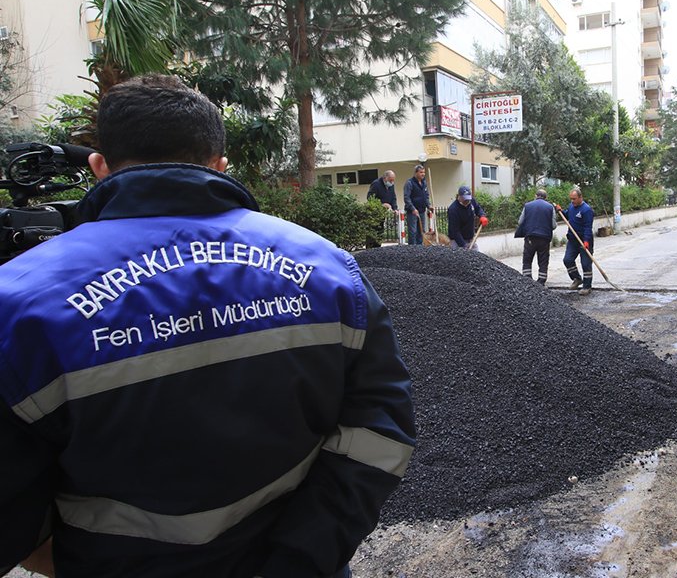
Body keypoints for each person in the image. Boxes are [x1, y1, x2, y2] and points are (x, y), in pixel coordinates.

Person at [0, 75, 415, 578]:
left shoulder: (17, 301)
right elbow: (380, 432)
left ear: (99, 168)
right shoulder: (330, 270)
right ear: (220, 165)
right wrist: (301, 558)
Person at [557, 188, 595, 295]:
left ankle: (587, 286)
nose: (572, 201)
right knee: (567, 260)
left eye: (574, 199)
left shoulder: (586, 210)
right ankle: (577, 279)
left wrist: (586, 241)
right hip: (573, 240)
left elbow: (588, 227)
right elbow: (567, 215)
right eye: (571, 199)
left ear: (580, 197)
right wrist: (560, 211)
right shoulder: (571, 207)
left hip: (584, 240)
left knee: (586, 263)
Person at [514, 188, 556, 284]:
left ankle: (527, 281)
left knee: (527, 259)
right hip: (544, 239)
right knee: (543, 261)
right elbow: (553, 226)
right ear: (546, 198)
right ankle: (541, 282)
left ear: (535, 196)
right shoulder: (550, 207)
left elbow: (520, 221)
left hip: (530, 237)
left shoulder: (527, 206)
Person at [402, 165, 430, 245]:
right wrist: (412, 208)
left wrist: (429, 205)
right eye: (421, 172)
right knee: (413, 232)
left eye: (424, 172)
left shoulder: (424, 183)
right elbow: (406, 198)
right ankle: (412, 249)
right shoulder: (409, 183)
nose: (423, 174)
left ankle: (420, 248)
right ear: (416, 173)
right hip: (412, 212)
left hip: (422, 210)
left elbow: (426, 196)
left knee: (421, 231)